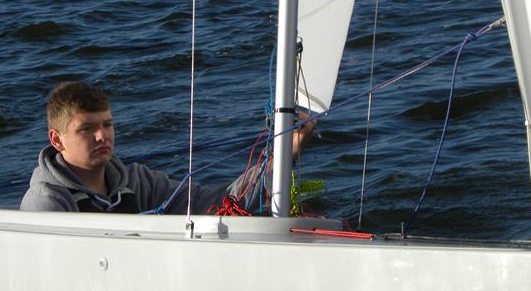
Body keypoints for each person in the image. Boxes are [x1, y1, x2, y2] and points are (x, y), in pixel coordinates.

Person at [20, 81, 314, 214]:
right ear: (57, 140)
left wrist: (283, 154)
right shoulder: (46, 203)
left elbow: (218, 204)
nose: (102, 136)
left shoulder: (138, 181)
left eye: (107, 125)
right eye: (87, 129)